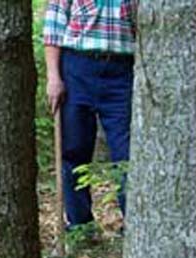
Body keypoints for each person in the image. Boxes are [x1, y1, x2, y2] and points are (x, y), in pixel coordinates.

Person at [43, 0, 136, 231]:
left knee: (127, 154)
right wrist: (54, 77)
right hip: (77, 68)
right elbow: (53, 28)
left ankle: (134, 226)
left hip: (122, 71)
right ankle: (80, 226)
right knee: (73, 150)